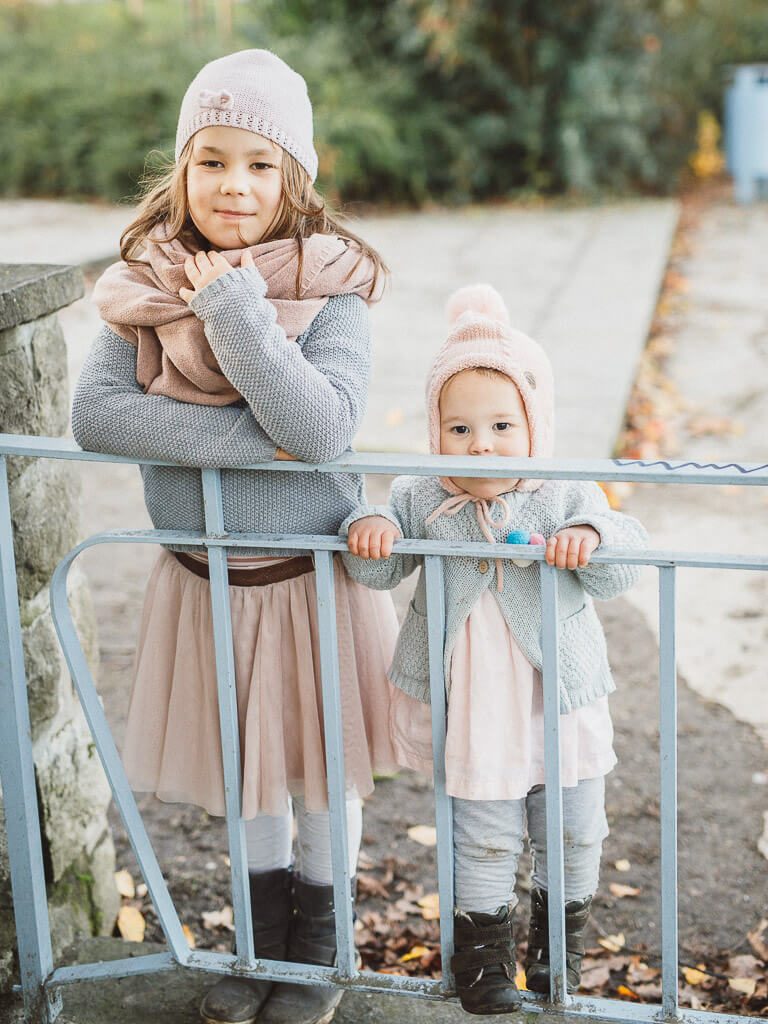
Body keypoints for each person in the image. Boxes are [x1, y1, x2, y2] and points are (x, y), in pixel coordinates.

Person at [71, 48, 400, 1024]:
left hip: (310, 583)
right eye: (212, 160)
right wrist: (262, 442)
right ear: (183, 167)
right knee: (247, 777)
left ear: (295, 173)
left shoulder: (333, 286)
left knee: (316, 780)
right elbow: (101, 415)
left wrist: (234, 310)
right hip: (202, 581)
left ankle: (317, 959)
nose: (235, 185)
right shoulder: (144, 282)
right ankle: (258, 951)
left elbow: (324, 430)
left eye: (260, 163)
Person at [340, 285, 648, 1015]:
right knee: (479, 836)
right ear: (435, 430)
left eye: (502, 426)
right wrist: (372, 525)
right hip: (475, 708)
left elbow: (626, 557)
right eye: (460, 428)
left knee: (573, 830)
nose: (481, 444)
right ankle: (482, 963)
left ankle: (558, 956)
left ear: (535, 427)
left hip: (558, 701)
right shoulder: (420, 494)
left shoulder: (562, 492)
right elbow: (379, 569)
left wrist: (593, 539)